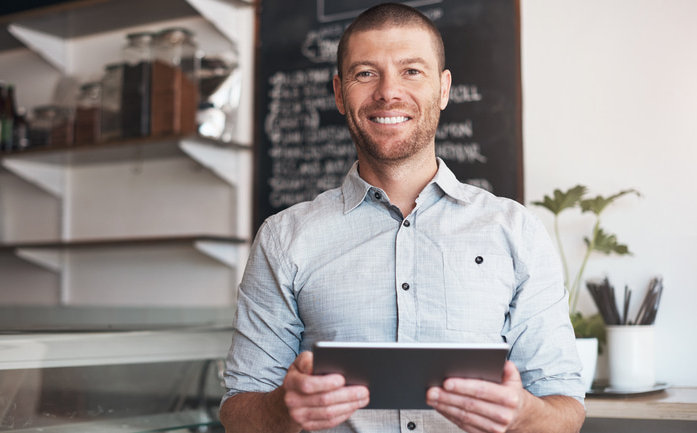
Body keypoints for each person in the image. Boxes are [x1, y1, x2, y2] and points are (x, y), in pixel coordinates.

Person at [220, 3, 585, 432]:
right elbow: (237, 411)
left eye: (412, 71)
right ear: (339, 93)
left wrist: (525, 414)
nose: (388, 92)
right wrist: (283, 408)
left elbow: (566, 411)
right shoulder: (283, 238)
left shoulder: (516, 231)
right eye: (365, 73)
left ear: (444, 89)